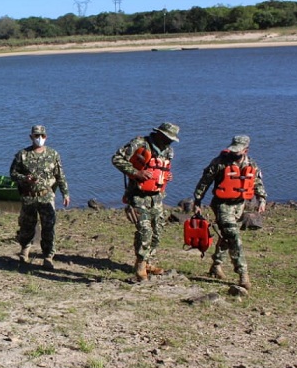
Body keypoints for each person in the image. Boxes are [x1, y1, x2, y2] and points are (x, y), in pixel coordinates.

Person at [192, 135, 267, 291]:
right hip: (222, 205)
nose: (234, 153)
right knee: (234, 237)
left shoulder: (251, 164)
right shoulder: (220, 162)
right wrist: (197, 201)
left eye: (238, 151)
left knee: (227, 236)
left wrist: (262, 199)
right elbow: (205, 181)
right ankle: (243, 274)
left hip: (239, 205)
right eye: (233, 149)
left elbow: (257, 182)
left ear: (246, 150)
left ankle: (216, 265)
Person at [111, 122, 180, 281]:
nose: (170, 142)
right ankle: (140, 264)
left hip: (157, 197)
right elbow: (116, 159)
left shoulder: (168, 151)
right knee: (145, 230)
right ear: (160, 134)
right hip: (138, 195)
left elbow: (163, 168)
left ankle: (148, 261)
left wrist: (167, 176)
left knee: (158, 231)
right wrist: (136, 173)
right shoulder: (140, 144)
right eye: (168, 138)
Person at [9, 124, 70, 270]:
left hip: (46, 196)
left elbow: (60, 176)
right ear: (31, 137)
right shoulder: (22, 154)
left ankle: (48, 256)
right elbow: (13, 174)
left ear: (46, 137)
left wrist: (65, 193)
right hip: (28, 196)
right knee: (26, 225)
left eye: (42, 136)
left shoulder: (53, 154)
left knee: (49, 227)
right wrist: (25, 179)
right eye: (36, 136)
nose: (39, 138)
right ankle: (25, 251)